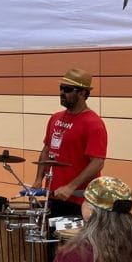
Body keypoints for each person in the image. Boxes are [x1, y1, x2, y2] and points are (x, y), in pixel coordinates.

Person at [33, 68, 107, 218]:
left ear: (82, 93)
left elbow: (97, 162)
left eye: (67, 89)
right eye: (61, 88)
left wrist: (70, 187)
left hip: (79, 201)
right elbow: (47, 149)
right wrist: (38, 179)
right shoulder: (55, 118)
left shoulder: (94, 123)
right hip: (54, 195)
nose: (62, 93)